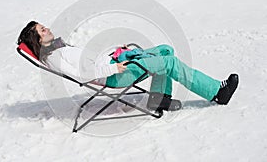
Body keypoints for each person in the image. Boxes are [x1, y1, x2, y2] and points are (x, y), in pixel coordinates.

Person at [17, 21, 239, 112]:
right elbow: (83, 74)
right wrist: (114, 68)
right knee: (169, 62)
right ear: (36, 40)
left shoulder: (59, 47)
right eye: (42, 30)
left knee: (164, 50)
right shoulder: (54, 57)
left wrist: (116, 52)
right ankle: (218, 93)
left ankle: (159, 98)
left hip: (114, 64)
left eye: (43, 26)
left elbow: (92, 60)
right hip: (116, 76)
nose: (47, 29)